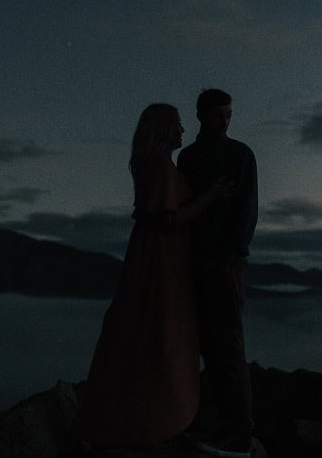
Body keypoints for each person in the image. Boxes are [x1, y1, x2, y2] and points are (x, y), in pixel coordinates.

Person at [69, 103, 231, 449]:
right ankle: (157, 419)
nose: (183, 132)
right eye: (177, 126)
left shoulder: (152, 166)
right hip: (162, 260)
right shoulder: (159, 167)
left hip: (153, 257)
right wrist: (211, 197)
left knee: (145, 329)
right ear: (163, 130)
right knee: (163, 332)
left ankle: (140, 415)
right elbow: (170, 219)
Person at [177, 89, 258, 457]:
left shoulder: (241, 155)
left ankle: (239, 435)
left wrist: (230, 257)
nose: (225, 121)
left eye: (229, 114)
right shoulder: (189, 158)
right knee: (204, 346)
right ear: (200, 115)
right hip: (194, 264)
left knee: (227, 346)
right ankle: (215, 424)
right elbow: (181, 207)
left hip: (224, 265)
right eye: (218, 115)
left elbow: (246, 213)